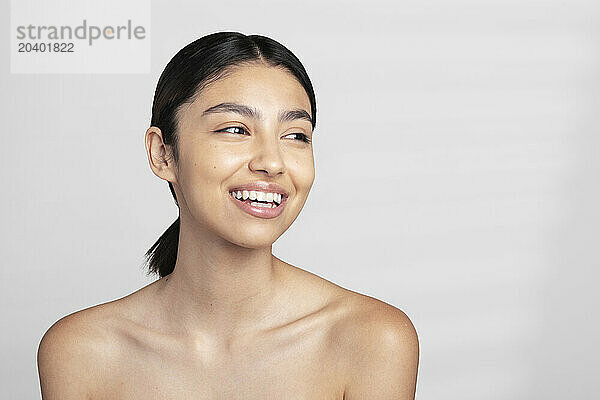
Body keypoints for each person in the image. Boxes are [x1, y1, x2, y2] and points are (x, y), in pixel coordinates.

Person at [37, 31, 419, 399]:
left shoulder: (372, 339)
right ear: (162, 153)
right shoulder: (80, 351)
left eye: (296, 135)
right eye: (235, 129)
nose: (272, 162)